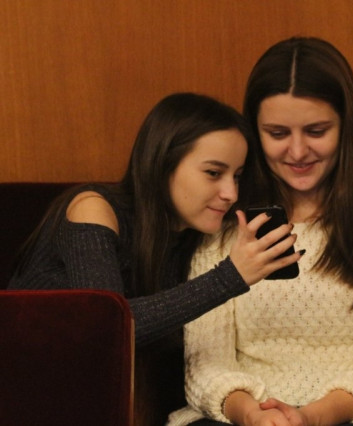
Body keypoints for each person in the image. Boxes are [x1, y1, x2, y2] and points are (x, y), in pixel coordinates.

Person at [9, 92, 302, 424]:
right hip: (30, 391)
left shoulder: (197, 235)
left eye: (236, 176)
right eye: (213, 173)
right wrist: (232, 276)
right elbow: (108, 329)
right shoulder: (94, 208)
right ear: (163, 165)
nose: (230, 193)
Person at [168, 37, 353, 426]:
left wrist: (310, 417)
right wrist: (253, 414)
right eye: (278, 133)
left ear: (345, 127)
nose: (297, 152)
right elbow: (204, 361)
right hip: (236, 418)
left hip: (349, 418)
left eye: (316, 131)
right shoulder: (224, 219)